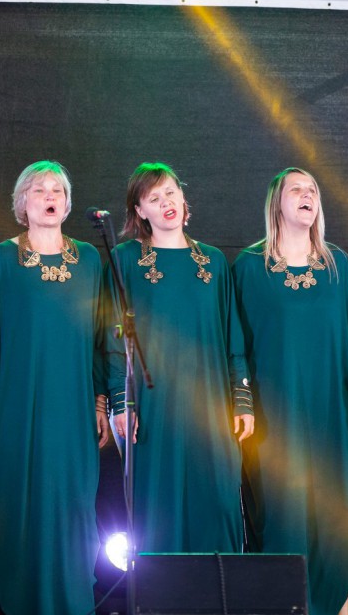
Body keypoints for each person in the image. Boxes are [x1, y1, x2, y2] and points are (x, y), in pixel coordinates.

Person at [0, 161, 112, 615]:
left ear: (67, 204)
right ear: (21, 203)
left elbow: (101, 340)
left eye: (57, 190)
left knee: (73, 510)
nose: (49, 196)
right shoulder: (0, 260)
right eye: (38, 189)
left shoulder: (89, 260)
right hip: (15, 404)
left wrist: (100, 401)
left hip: (72, 407)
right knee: (21, 505)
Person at [232, 168, 348, 615]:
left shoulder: (337, 265)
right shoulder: (249, 266)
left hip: (331, 412)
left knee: (337, 519)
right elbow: (236, 344)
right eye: (297, 189)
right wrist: (242, 404)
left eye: (313, 189)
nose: (307, 195)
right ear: (277, 201)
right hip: (275, 415)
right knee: (283, 516)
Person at [108, 162, 253, 554]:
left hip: (211, 403)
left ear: (183, 196)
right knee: (159, 508)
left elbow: (232, 337)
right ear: (140, 211)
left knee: (217, 501)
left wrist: (242, 400)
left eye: (170, 191)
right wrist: (120, 403)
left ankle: (219, 592)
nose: (166, 202)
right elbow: (111, 338)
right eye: (153, 198)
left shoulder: (214, 262)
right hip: (153, 406)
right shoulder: (125, 260)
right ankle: (160, 592)